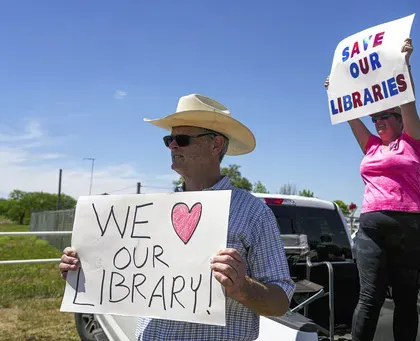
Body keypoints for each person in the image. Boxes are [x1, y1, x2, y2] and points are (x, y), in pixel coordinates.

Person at [59, 93, 296, 341]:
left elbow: (280, 302)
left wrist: (242, 288)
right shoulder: (151, 211)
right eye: (169, 139)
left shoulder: (252, 212)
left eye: (181, 139)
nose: (172, 146)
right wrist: (84, 268)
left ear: (215, 145)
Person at [325, 38, 420, 341]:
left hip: (409, 227)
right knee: (369, 298)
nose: (377, 122)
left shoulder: (412, 141)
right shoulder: (371, 146)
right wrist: (335, 90)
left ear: (400, 120)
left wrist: (404, 64)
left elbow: (408, 100)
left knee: (405, 300)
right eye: (374, 118)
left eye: (384, 116)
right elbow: (348, 115)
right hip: (372, 229)